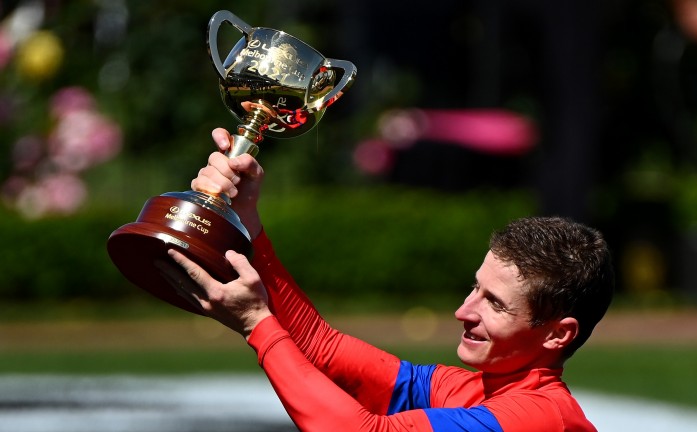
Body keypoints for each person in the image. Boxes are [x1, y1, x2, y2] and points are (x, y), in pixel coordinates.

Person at [159, 128, 615, 431]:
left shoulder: (536, 417)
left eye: (495, 303)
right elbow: (322, 348)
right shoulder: (470, 389)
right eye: (475, 288)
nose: (464, 311)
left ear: (559, 334)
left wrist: (258, 324)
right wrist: (247, 224)